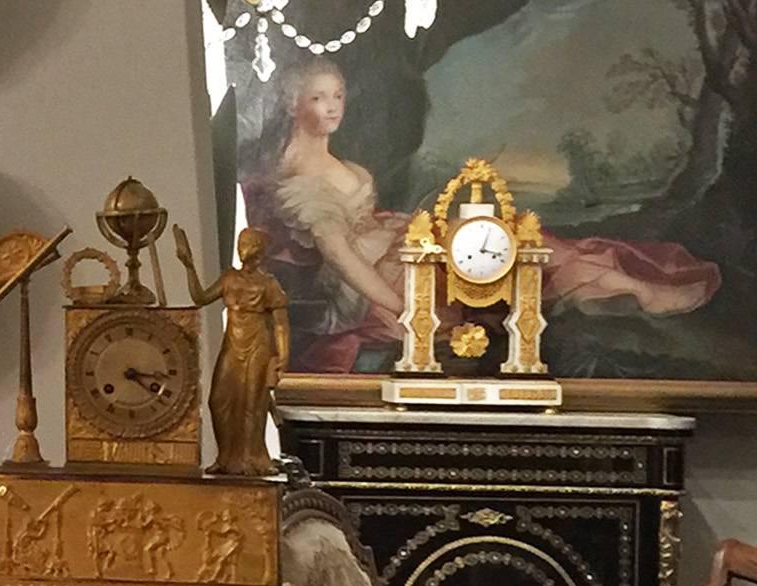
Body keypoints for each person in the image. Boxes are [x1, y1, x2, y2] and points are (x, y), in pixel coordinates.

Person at [248, 58, 721, 375]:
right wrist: (409, 311)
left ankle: (616, 288)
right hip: (373, 283)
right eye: (318, 98)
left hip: (395, 244)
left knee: (508, 242)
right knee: (480, 260)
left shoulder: (332, 159)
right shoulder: (297, 175)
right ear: (293, 104)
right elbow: (342, 259)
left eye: (338, 95)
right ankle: (604, 293)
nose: (333, 107)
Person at [176, 227, 289, 477]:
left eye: (247, 244)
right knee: (218, 401)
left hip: (258, 344)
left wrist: (282, 358)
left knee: (253, 403)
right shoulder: (229, 278)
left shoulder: (269, 284)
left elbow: (281, 324)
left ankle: (252, 459)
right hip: (233, 343)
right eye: (241, 244)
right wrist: (188, 265)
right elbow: (200, 297)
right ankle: (226, 456)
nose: (243, 249)